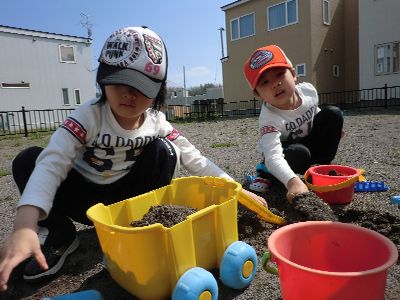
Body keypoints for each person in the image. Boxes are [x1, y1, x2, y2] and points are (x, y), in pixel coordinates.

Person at [0, 26, 266, 292]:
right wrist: (25, 224)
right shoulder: (88, 117)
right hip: (82, 197)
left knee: (166, 150)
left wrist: (238, 190)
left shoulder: (156, 122)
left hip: (127, 202)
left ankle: (145, 229)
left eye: (140, 87)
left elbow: (194, 157)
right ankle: (59, 234)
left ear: (157, 91)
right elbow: (53, 162)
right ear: (103, 80)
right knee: (29, 160)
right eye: (120, 83)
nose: (128, 94)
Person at [243, 44, 344, 202]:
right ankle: (266, 172)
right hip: (286, 151)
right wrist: (293, 182)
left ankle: (317, 169)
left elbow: (313, 111)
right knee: (298, 153)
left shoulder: (309, 91)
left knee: (333, 114)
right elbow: (274, 156)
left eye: (279, 74)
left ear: (293, 74)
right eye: (264, 82)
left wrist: (329, 128)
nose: (275, 84)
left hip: (307, 140)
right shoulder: (269, 118)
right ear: (258, 94)